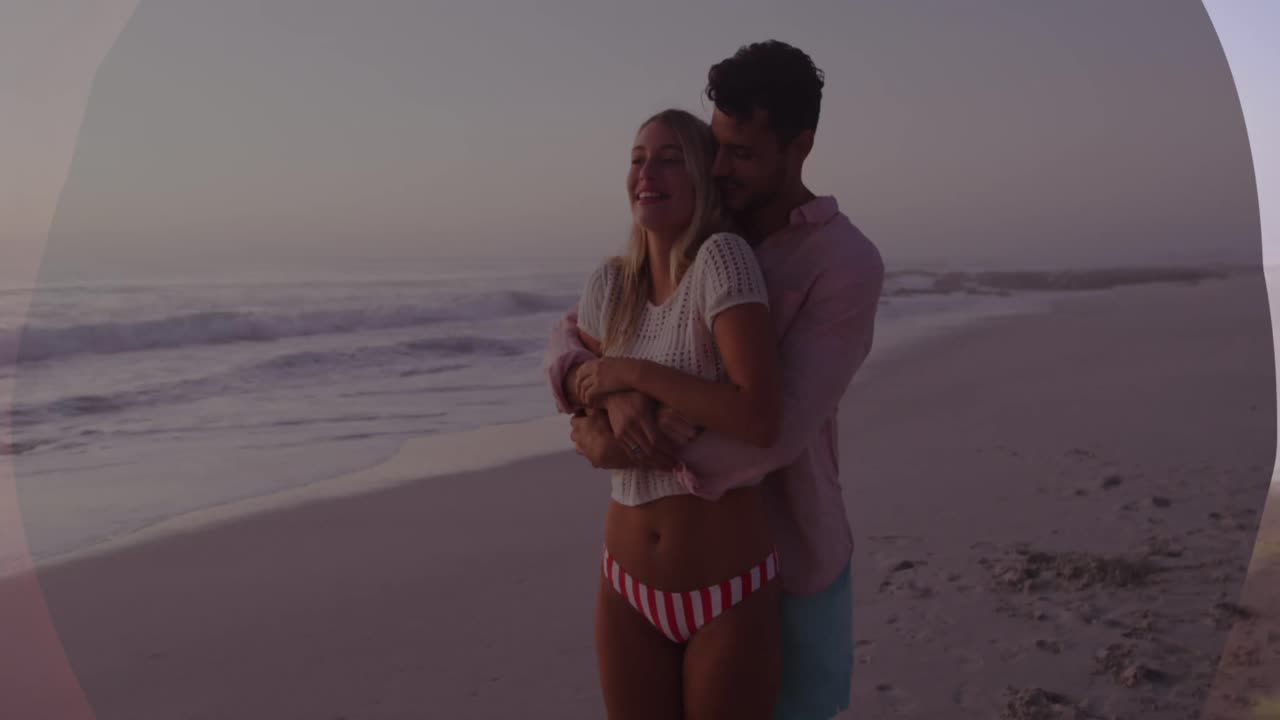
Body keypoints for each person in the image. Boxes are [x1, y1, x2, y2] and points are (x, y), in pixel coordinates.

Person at [544, 40, 885, 719]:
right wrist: (603, 395)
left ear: (800, 147)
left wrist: (624, 443)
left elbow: (775, 431)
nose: (722, 167)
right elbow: (572, 338)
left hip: (787, 549)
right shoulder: (697, 224)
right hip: (641, 571)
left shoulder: (841, 262)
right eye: (717, 148)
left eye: (743, 153)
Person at [565, 106, 790, 719]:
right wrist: (609, 405)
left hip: (727, 591)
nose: (647, 172)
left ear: (701, 176)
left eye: (669, 159)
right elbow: (575, 389)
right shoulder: (610, 284)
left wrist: (631, 373)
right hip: (625, 587)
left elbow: (759, 415)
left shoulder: (721, 259)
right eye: (638, 159)